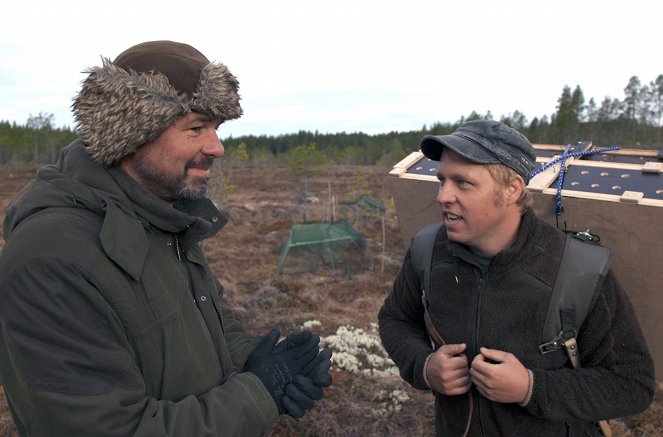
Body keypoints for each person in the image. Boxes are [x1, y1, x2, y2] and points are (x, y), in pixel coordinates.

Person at [0, 40, 332, 436]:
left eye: (216, 128)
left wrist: (264, 365)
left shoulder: (162, 217)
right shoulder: (51, 259)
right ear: (129, 132)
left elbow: (207, 333)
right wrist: (258, 393)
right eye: (196, 128)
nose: (217, 147)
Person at [378, 120, 654, 436]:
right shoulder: (427, 251)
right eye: (442, 180)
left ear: (512, 189)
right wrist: (424, 367)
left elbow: (632, 384)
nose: (443, 196)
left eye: (463, 183)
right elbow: (394, 320)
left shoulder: (577, 269)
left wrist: (531, 387)